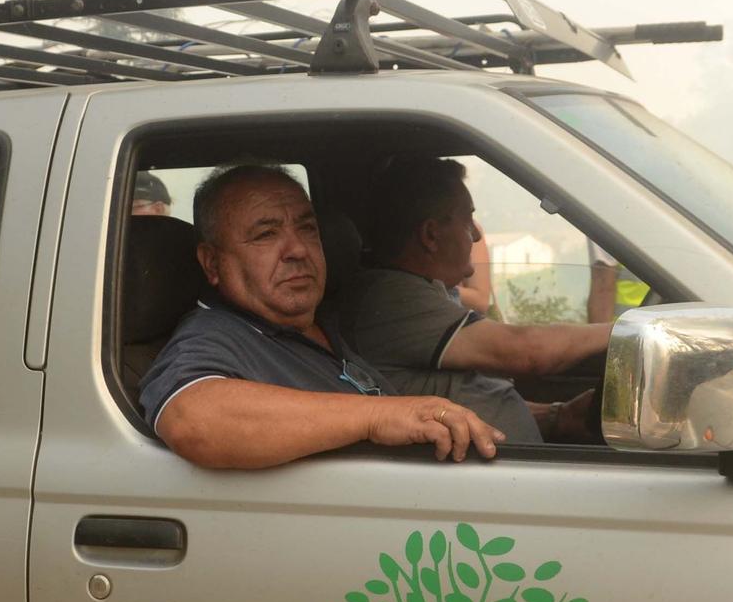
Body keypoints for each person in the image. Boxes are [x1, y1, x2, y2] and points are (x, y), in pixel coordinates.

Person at [139, 164, 504, 469]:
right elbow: (192, 419)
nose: (297, 249)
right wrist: (375, 417)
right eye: (266, 234)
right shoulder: (216, 336)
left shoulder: (318, 325)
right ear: (212, 263)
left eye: (307, 228)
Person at [339, 157, 614, 443]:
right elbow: (526, 350)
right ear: (431, 235)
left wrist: (559, 417)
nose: (477, 232)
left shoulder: (423, 291)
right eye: (467, 219)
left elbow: (457, 400)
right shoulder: (392, 297)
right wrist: (626, 330)